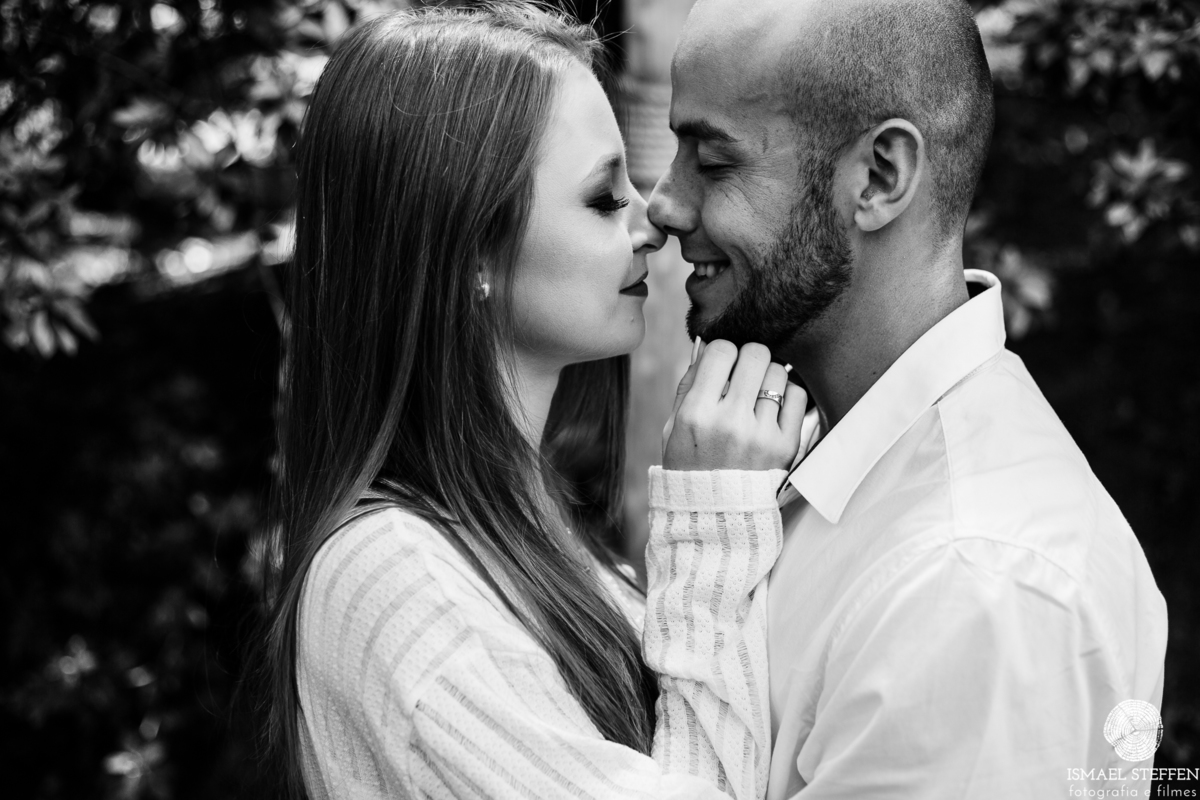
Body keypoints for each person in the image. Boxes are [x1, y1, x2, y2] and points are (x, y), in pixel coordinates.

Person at [258, 3, 805, 799]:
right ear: (471, 251)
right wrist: (712, 520)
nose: (653, 222)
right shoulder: (392, 579)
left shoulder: (530, 528)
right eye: (602, 199)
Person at [652, 0, 1169, 797]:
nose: (664, 204)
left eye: (713, 163)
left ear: (881, 177)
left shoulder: (975, 584)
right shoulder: (815, 453)